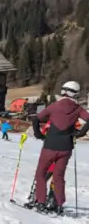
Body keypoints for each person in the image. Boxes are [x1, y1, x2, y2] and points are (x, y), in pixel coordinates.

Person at [32, 81, 89, 214]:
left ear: (63, 91)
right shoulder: (78, 109)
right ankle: (58, 204)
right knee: (58, 176)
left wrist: (39, 134)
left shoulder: (54, 106)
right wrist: (79, 133)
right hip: (66, 147)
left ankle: (40, 201)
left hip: (50, 145)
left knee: (41, 173)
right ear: (75, 93)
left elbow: (36, 119)